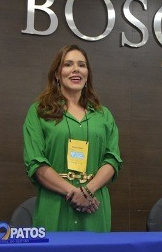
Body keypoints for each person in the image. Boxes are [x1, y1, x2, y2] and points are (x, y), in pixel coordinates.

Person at [23, 45, 122, 232]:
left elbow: (113, 159)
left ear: (87, 74)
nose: (76, 69)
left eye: (82, 65)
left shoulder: (103, 115)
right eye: (68, 64)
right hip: (54, 206)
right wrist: (74, 193)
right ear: (57, 74)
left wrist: (87, 191)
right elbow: (35, 162)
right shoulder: (38, 112)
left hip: (95, 206)